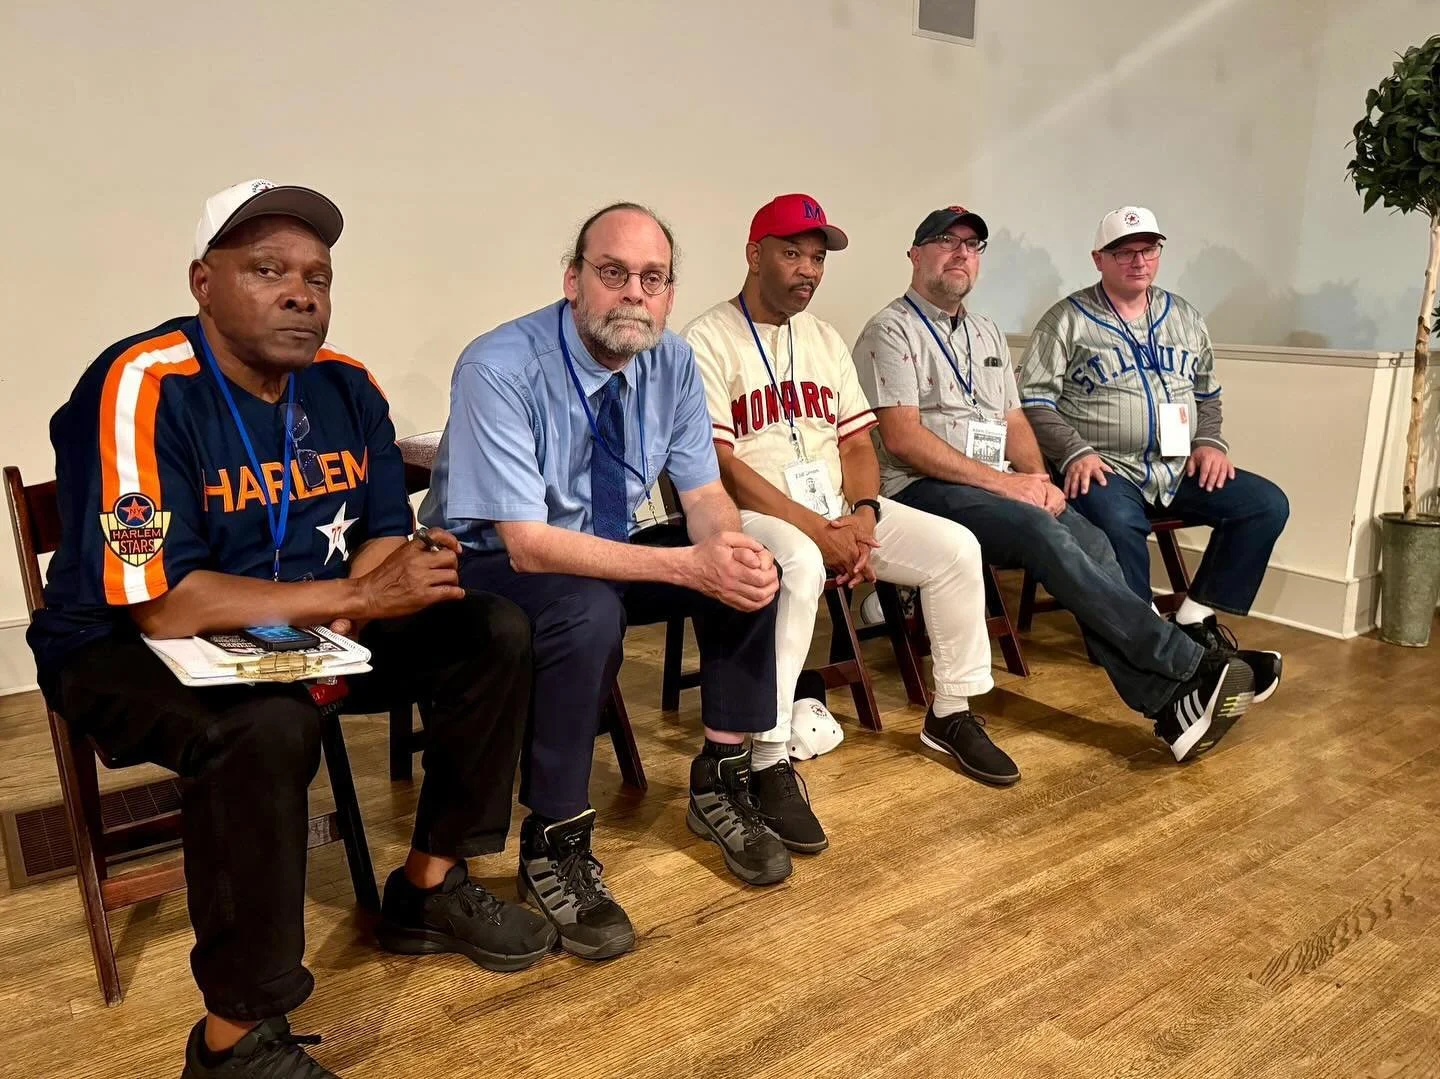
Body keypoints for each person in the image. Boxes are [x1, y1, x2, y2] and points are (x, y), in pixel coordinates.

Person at [26, 180, 552, 1079]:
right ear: (203, 281)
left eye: (317, 276)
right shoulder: (141, 383)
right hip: (121, 642)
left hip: (305, 620)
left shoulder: (346, 384)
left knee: (492, 628)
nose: (301, 294)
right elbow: (164, 604)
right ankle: (233, 1041)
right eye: (268, 270)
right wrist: (351, 599)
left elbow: (382, 530)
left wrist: (360, 601)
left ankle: (428, 885)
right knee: (265, 725)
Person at [420, 202, 790, 962]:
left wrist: (724, 550)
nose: (633, 293)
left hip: (607, 545)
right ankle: (555, 839)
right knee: (588, 611)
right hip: (488, 563)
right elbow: (528, 546)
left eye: (652, 279)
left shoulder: (673, 362)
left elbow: (704, 494)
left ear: (670, 293)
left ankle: (721, 778)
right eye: (613, 273)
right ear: (573, 280)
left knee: (751, 568)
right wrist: (686, 564)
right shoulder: (500, 365)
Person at [856, 205, 1272, 764]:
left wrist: (1035, 476)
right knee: (1040, 532)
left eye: (972, 245)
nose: (961, 253)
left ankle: (1172, 709)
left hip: (994, 484)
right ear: (914, 254)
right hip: (919, 487)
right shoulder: (889, 330)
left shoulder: (984, 331)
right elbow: (903, 439)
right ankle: (1188, 663)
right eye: (945, 241)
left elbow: (1013, 419)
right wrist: (1009, 487)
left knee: (1091, 539)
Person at [683, 193, 1018, 818]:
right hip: (750, 513)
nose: (808, 270)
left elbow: (858, 442)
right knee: (801, 562)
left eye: (817, 258)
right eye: (792, 254)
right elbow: (721, 465)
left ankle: (950, 713)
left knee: (955, 548)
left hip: (837, 510)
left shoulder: (824, 338)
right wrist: (818, 530)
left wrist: (863, 514)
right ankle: (768, 755)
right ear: (754, 255)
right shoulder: (707, 338)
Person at [1018, 206, 1289, 677]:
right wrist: (1074, 451)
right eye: (1123, 252)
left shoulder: (1184, 316)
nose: (1138, 261)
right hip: (1104, 465)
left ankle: (1194, 618)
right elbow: (1035, 402)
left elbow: (1207, 393)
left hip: (1176, 465)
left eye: (1148, 249)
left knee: (1265, 504)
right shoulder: (1065, 320)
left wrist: (1209, 442)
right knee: (1119, 522)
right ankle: (1135, 639)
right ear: (1098, 259)